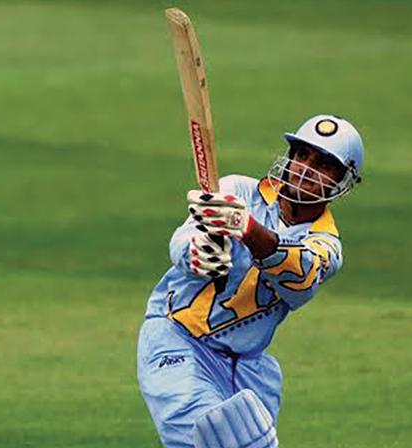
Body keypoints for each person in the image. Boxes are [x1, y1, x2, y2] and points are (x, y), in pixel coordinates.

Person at [137, 114, 365, 447]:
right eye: (302, 155)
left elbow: (299, 275)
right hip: (178, 339)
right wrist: (199, 252)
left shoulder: (326, 245)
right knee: (209, 433)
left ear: (343, 181)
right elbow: (182, 241)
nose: (306, 168)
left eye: (324, 164)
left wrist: (247, 228)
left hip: (247, 367)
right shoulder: (236, 190)